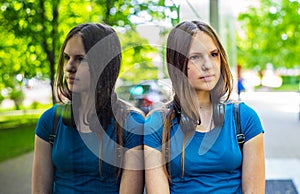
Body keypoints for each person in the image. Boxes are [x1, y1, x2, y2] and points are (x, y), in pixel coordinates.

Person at [144, 20, 265, 193]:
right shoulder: (156, 124)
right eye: (195, 57)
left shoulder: (245, 118)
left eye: (214, 54)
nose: (208, 65)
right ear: (177, 64)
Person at [32, 23, 144, 194]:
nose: (69, 67)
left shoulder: (131, 124)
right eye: (66, 57)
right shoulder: (50, 121)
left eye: (80, 59)